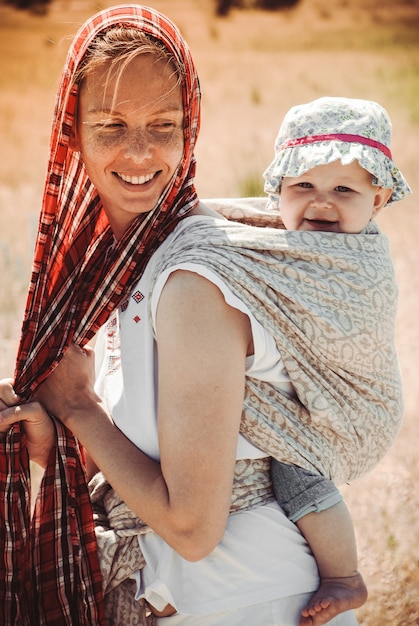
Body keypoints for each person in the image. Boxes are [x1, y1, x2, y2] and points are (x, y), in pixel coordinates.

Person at [0, 7, 408, 626]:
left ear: (189, 129)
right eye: (110, 124)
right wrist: (57, 435)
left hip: (249, 600)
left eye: (163, 124)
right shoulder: (114, 269)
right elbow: (149, 442)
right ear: (71, 132)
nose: (139, 151)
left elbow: (192, 527)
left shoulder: (192, 277)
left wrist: (80, 408)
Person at [260, 96, 411, 624]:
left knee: (296, 472)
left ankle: (345, 576)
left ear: (379, 198)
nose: (321, 204)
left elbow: (241, 252)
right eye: (303, 187)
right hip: (319, 396)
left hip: (356, 407)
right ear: (277, 190)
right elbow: (247, 228)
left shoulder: (351, 261)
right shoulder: (291, 236)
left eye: (343, 190)